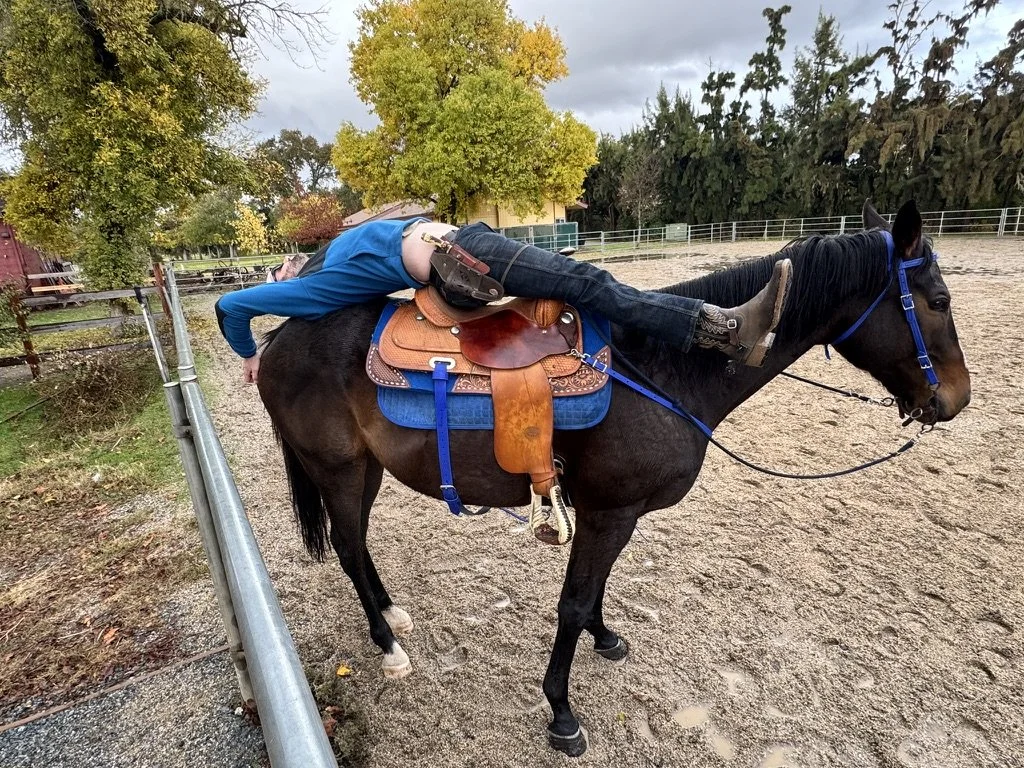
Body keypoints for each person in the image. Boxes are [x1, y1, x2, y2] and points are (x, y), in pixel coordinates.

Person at [215, 219, 792, 383]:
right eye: (281, 271)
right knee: (592, 284)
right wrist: (250, 356)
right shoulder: (313, 284)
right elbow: (232, 306)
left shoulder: (338, 248)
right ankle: (720, 328)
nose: (285, 268)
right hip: (463, 250)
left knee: (588, 290)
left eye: (285, 266)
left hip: (460, 247)